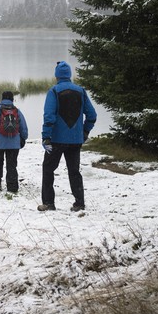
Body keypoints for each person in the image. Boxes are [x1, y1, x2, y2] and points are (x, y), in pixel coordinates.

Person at [38, 61, 97, 212]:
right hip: (75, 140)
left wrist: (46, 137)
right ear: (69, 75)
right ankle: (79, 203)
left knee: (48, 169)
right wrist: (84, 132)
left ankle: (49, 203)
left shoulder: (54, 91)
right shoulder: (81, 91)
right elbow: (92, 115)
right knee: (74, 171)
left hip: (56, 140)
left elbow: (49, 117)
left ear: (57, 75)